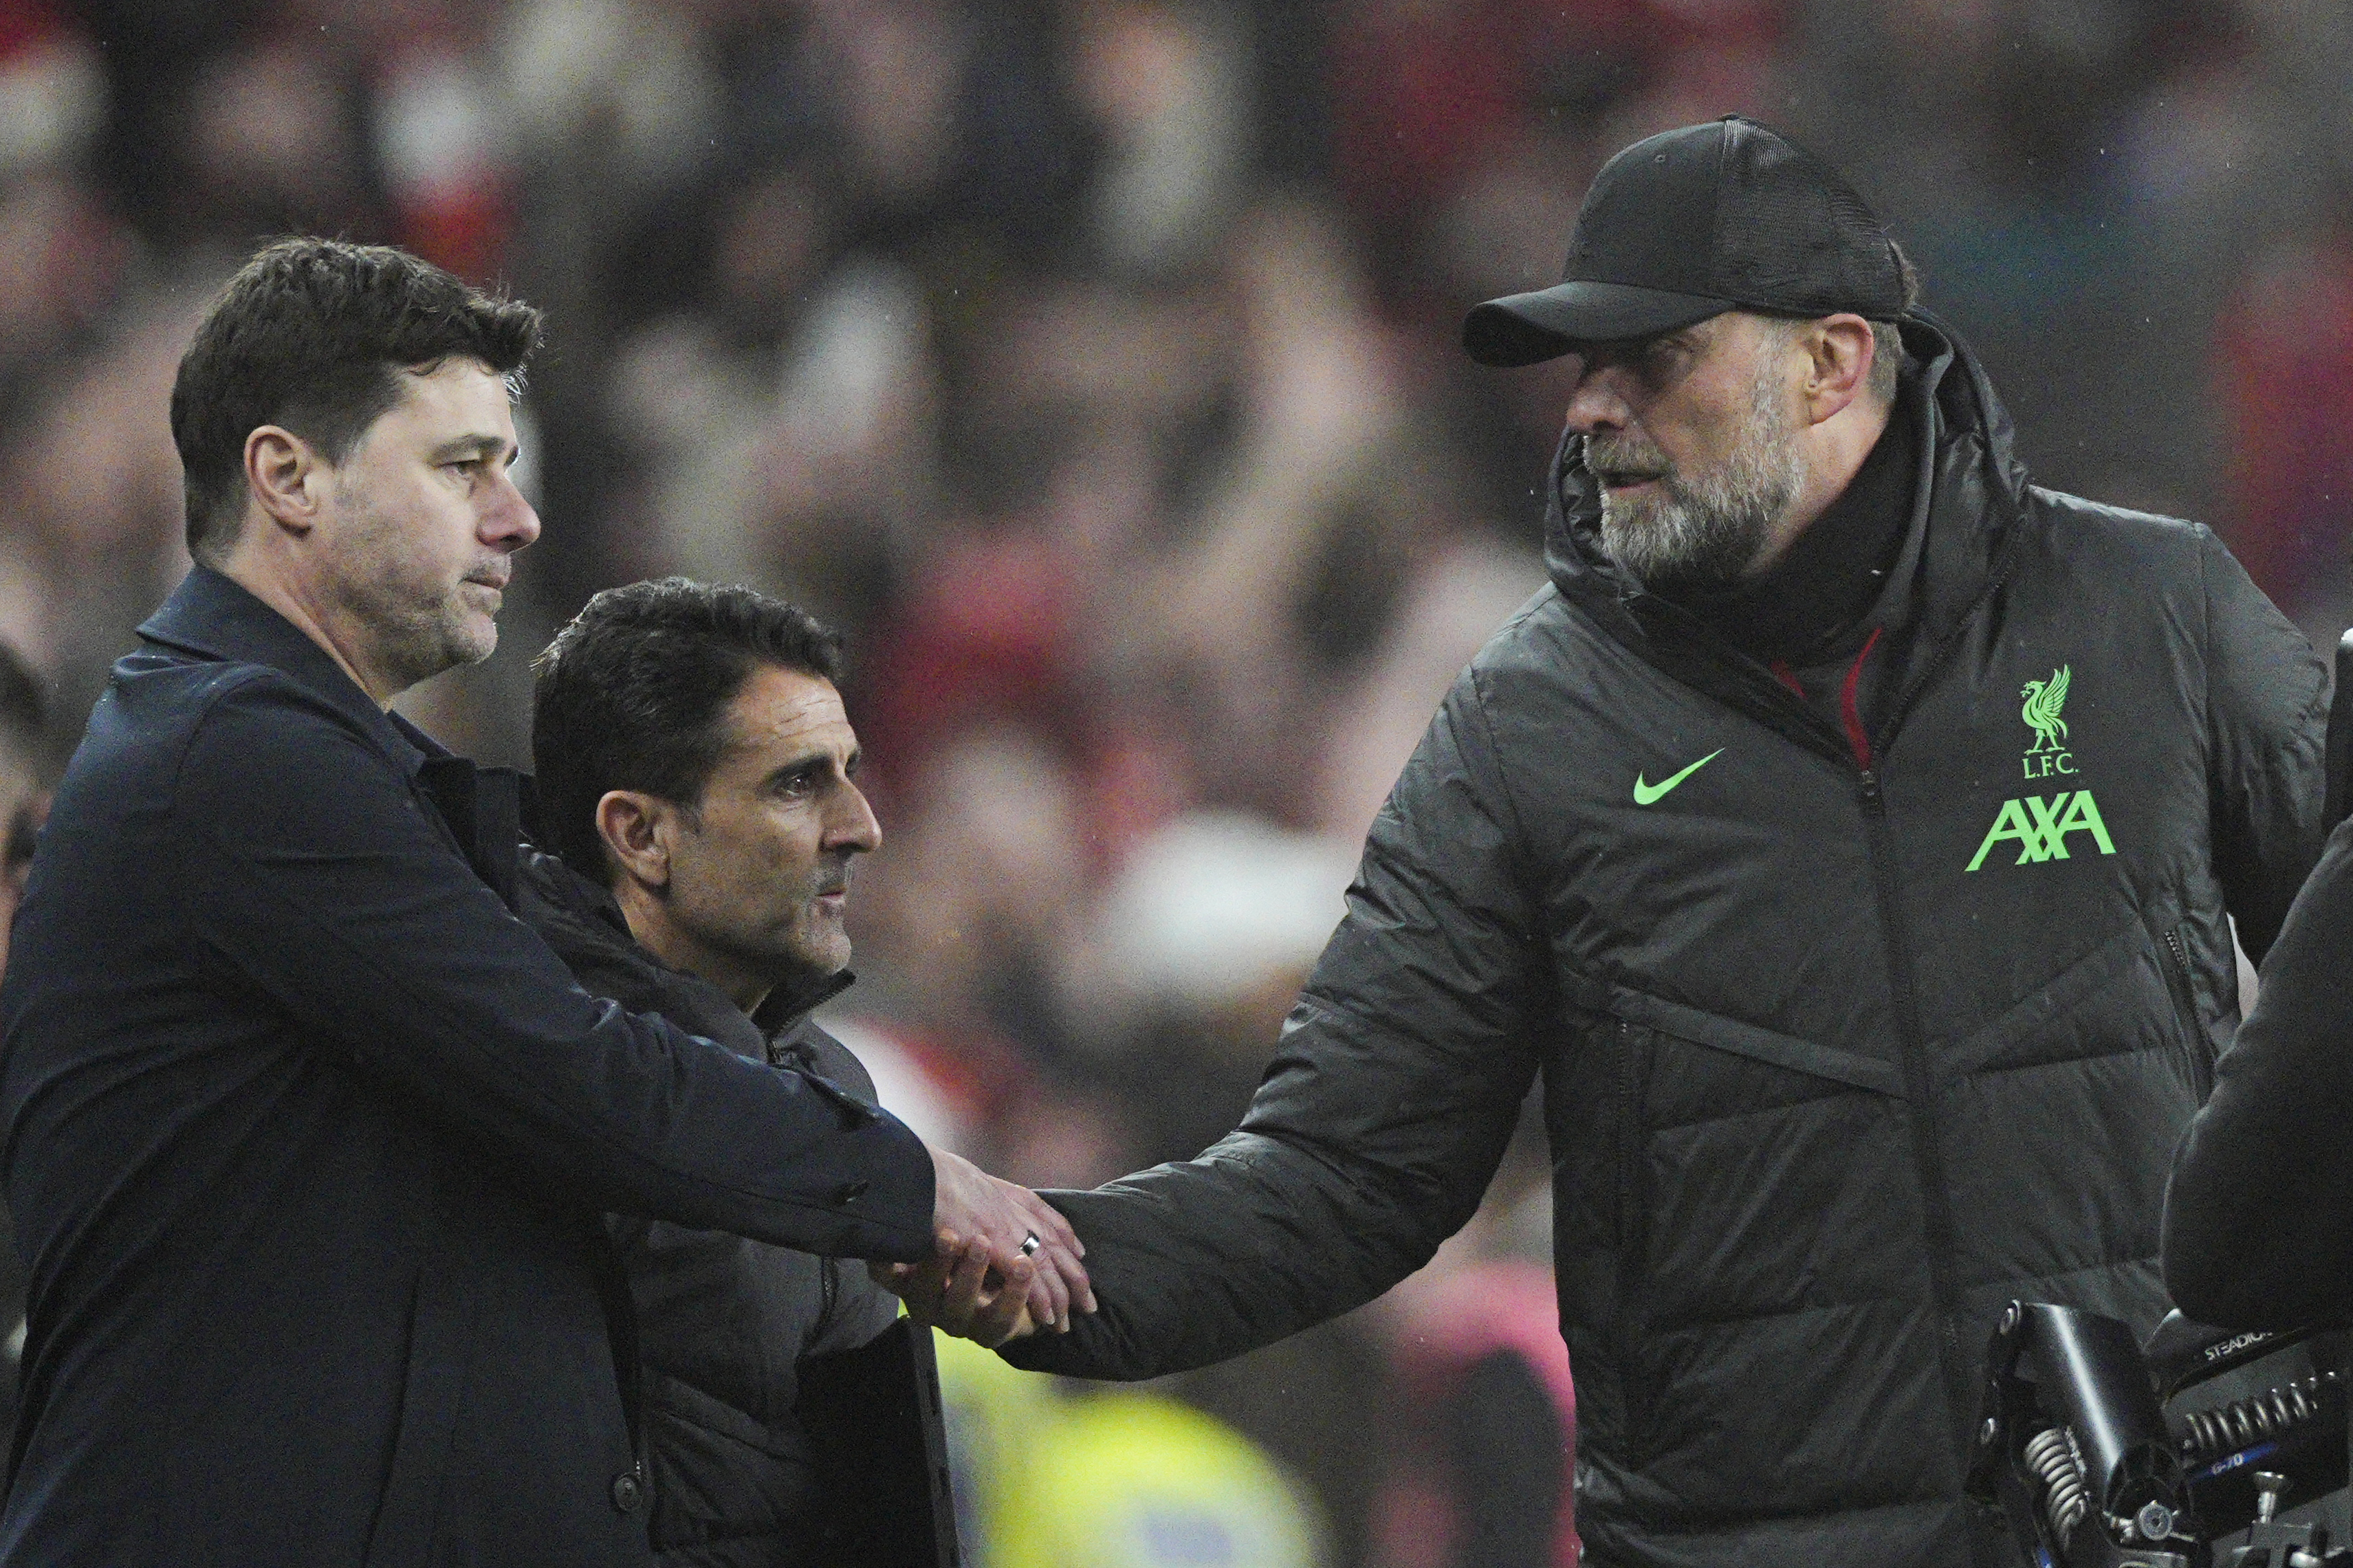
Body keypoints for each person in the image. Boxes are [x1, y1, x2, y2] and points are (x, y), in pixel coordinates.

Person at [939, 117, 2328, 1567]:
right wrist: (1006, 1250)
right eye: (1581, 368)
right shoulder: (1530, 729)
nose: (1590, 408)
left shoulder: (2154, 618)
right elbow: (1341, 1176)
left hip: (2153, 1532)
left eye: (1650, 358)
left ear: (1832, 360)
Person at [0, 238, 1081, 1568]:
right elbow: (580, 1076)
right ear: (286, 476)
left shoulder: (329, 763)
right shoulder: (233, 757)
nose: (514, 517)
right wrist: (906, 1184)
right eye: (463, 466)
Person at [525, 577, 1043, 1565]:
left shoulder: (834, 1085)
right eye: (797, 783)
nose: (860, 824)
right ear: (640, 834)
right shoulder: (512, 1073)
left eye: (849, 772)